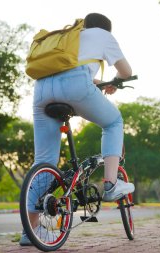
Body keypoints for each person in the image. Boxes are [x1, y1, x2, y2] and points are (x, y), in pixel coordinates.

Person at [20, 13, 135, 246]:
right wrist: (115, 80)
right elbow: (126, 71)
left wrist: (96, 83)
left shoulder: (70, 38)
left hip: (41, 90)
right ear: (106, 29)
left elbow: (68, 70)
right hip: (75, 87)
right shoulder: (103, 35)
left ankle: (28, 232)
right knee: (113, 122)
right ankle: (111, 185)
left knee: (43, 161)